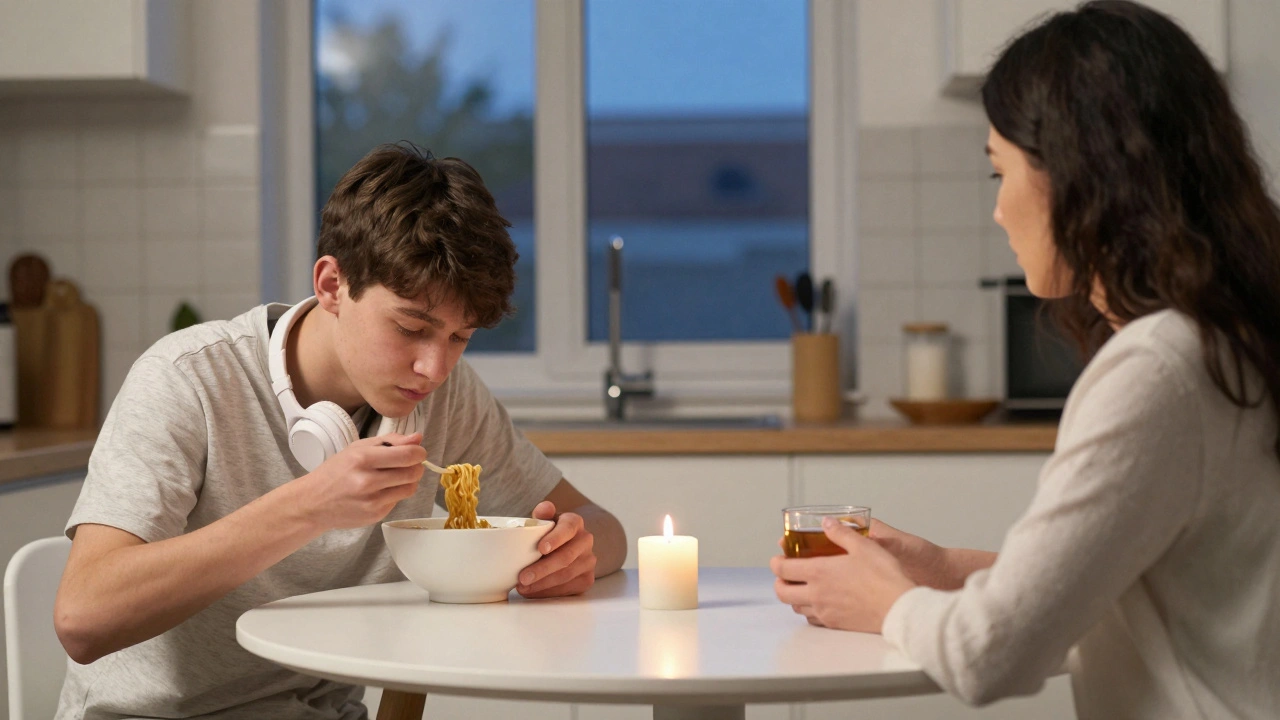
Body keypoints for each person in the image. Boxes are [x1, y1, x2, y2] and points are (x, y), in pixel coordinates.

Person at [771, 1, 1280, 717]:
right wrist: (944, 570)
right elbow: (1135, 589)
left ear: (1077, 177)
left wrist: (887, 602)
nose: (998, 211)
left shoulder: (1158, 368)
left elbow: (991, 654)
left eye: (999, 173)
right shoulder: (1230, 334)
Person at [52, 144, 628, 720]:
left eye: (460, 338)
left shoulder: (444, 396)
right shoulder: (187, 380)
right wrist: (309, 506)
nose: (434, 367)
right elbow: (83, 617)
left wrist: (572, 553)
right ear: (332, 285)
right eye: (410, 327)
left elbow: (606, 530)